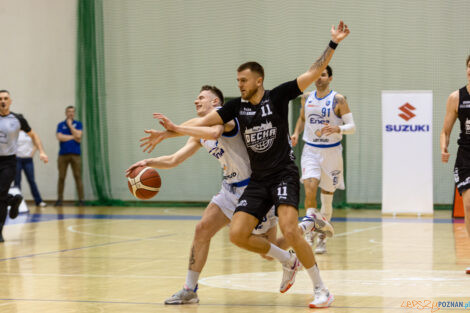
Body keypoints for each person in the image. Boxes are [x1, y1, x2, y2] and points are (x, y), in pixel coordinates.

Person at [154, 21, 350, 308]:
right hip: (258, 180)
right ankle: (290, 257)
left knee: (289, 230)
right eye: (237, 82)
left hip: (283, 173)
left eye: (243, 81)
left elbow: (313, 71)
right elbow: (203, 123)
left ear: (258, 80)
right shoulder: (236, 107)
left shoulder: (278, 95)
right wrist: (170, 131)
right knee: (237, 235)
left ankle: (321, 289)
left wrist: (333, 43)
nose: (239, 85)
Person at [127, 85, 333, 304]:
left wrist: (172, 131)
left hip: (255, 188)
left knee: (267, 250)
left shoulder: (228, 119)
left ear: (216, 103)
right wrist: (149, 162)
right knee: (202, 229)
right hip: (229, 189)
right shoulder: (198, 133)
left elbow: (213, 132)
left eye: (201, 98)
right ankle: (190, 289)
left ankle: (307, 225)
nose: (196, 101)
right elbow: (174, 159)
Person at [291, 65, 356, 254]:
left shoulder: (338, 99)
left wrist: (339, 129)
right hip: (311, 150)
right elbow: (302, 118)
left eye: (324, 75)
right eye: (317, 75)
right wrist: (296, 133)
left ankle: (321, 238)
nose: (319, 78)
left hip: (332, 153)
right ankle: (310, 230)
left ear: (330, 78)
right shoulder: (306, 98)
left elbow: (352, 126)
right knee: (310, 189)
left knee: (326, 200)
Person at [0, 90, 48, 242]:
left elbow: (33, 135)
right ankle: (13, 200)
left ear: (10, 101)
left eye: (5, 98)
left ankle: (0, 231)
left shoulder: (18, 119)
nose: (3, 101)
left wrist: (41, 151)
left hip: (9, 162)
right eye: (0, 99)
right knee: (0, 196)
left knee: (0, 196)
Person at [440, 55, 470, 275]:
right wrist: (444, 147)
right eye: (469, 67)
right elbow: (446, 130)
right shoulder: (456, 97)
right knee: (468, 206)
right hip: (466, 156)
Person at [55, 106, 84, 206]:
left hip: (76, 154)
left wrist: (71, 126)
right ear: (65, 113)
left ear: (74, 113)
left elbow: (79, 136)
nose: (70, 113)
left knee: (78, 177)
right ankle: (59, 199)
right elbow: (60, 137)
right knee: (61, 177)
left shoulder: (78, 124)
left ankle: (81, 200)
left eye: (72, 112)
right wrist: (73, 137)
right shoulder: (60, 124)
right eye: (69, 112)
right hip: (63, 155)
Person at [14, 130, 48, 207]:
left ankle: (38, 201)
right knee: (17, 181)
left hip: (28, 160)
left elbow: (36, 143)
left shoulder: (29, 132)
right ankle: (16, 204)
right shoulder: (14, 132)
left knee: (31, 180)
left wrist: (32, 153)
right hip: (17, 159)